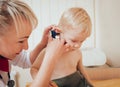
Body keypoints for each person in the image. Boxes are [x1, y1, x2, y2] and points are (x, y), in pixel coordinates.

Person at [0, 0, 69, 87]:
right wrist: (51, 57)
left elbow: (27, 60)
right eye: (21, 41)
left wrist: (43, 43)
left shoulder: (6, 53)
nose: (26, 47)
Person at [31, 7, 94, 87]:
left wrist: (91, 84)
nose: (78, 45)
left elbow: (83, 72)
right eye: (73, 40)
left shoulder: (77, 52)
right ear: (59, 32)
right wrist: (45, 83)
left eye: (82, 41)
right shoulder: (48, 52)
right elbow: (34, 69)